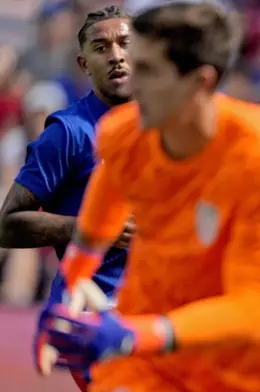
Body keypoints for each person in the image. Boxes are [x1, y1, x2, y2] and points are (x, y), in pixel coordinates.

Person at [39, 2, 260, 392]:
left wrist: (137, 334)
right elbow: (96, 226)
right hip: (146, 365)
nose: (133, 81)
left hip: (247, 373)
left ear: (200, 82)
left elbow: (254, 309)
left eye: (148, 70)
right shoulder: (125, 133)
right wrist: (66, 294)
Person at [0, 6, 135, 391]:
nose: (116, 55)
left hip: (155, 311)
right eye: (101, 47)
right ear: (84, 64)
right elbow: (7, 226)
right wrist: (91, 229)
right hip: (96, 312)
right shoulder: (68, 134)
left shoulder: (163, 130)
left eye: (126, 44)